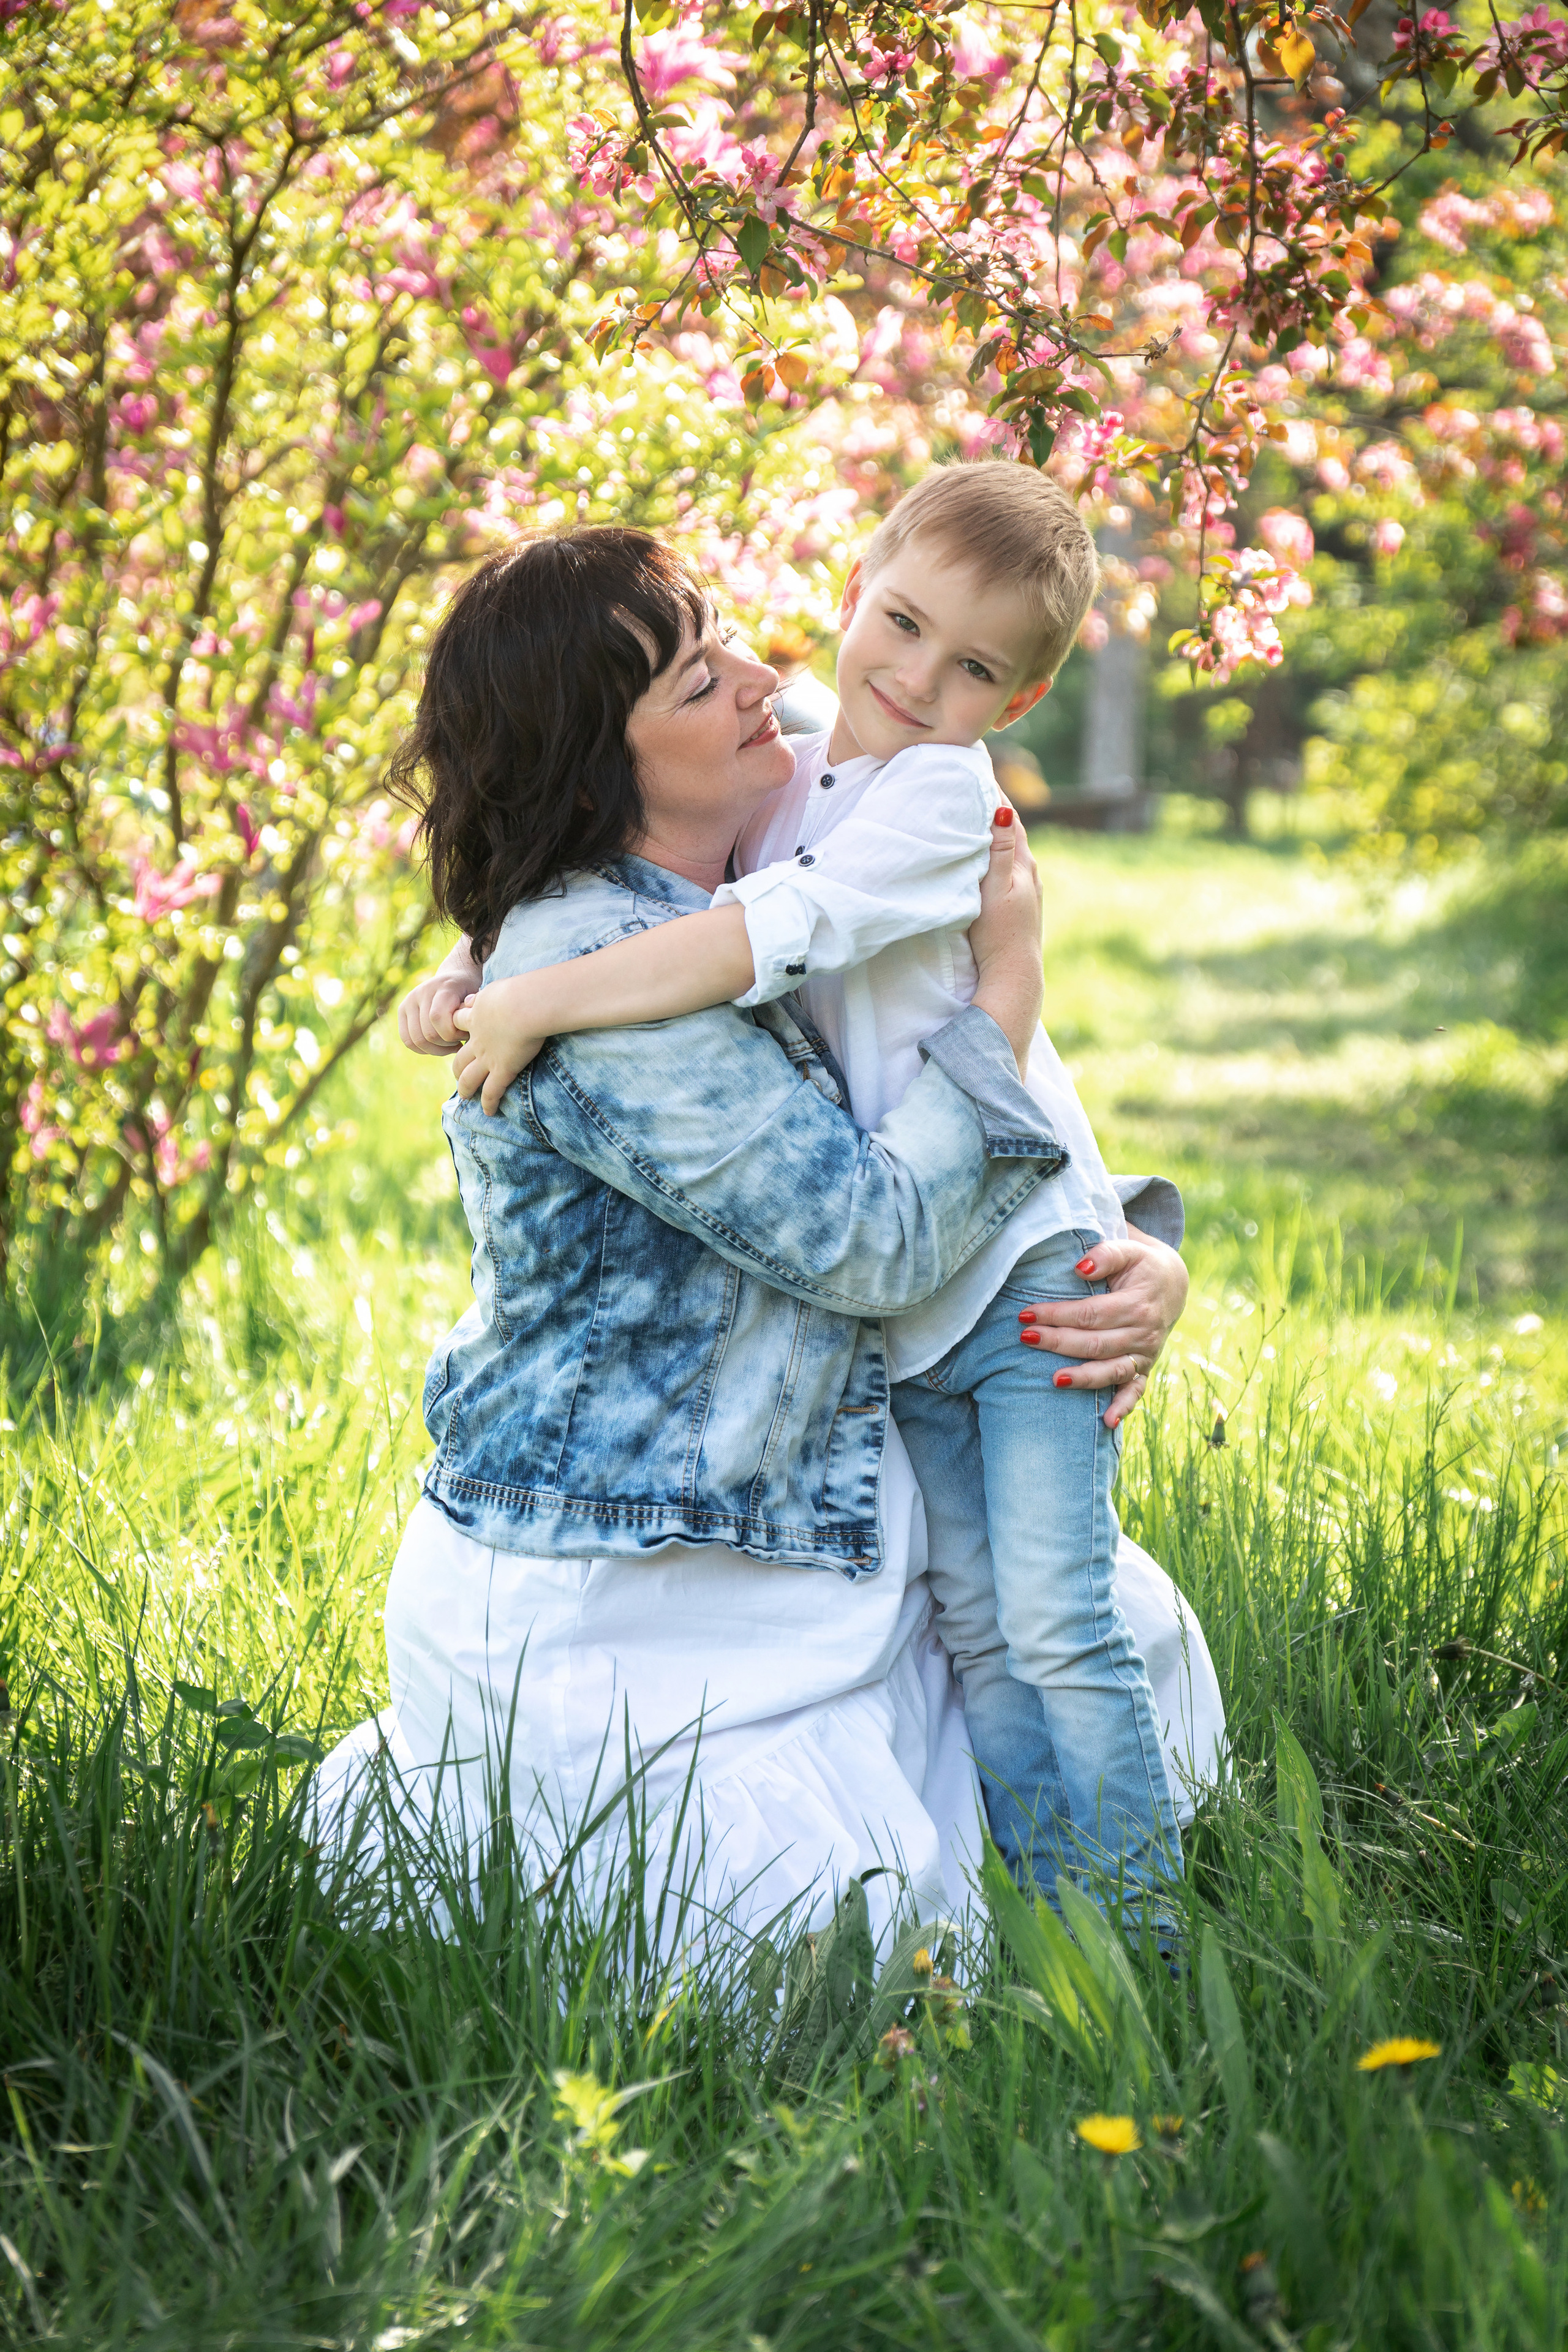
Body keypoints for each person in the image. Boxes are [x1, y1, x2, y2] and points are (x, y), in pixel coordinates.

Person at [345, 523, 1222, 1953]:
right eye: (700, 682)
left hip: (811, 1486)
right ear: (595, 770)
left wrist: (1135, 1255)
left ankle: (1128, 1946)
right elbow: (878, 1239)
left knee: (1093, 1636)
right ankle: (1120, 1954)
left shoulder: (783, 806)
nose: (761, 679)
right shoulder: (602, 978)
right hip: (649, 1571)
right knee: (813, 1934)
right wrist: (1008, 987)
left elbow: (879, 1031)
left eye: (727, 641)